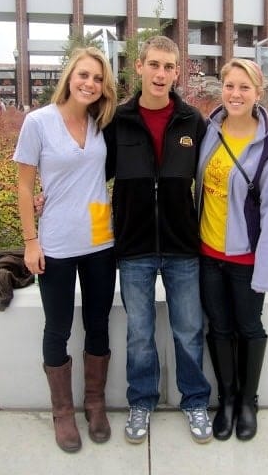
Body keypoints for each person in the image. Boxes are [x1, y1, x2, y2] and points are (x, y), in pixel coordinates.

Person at [104, 35, 213, 445]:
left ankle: (195, 401)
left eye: (169, 67)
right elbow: (94, 175)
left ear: (177, 72)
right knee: (139, 333)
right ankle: (142, 401)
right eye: (154, 65)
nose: (161, 74)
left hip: (183, 247)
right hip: (133, 249)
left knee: (188, 330)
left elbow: (213, 177)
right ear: (140, 68)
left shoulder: (192, 122)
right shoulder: (119, 120)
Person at [13, 46, 117, 453]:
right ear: (69, 77)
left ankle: (94, 403)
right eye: (83, 75)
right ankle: (62, 412)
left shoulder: (100, 123)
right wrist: (30, 241)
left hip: (99, 238)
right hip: (54, 241)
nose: (89, 83)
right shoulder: (38, 122)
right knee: (56, 328)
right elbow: (24, 186)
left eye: (97, 78)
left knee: (98, 323)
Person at [195, 57, 268, 442]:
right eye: (230, 86)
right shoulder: (208, 132)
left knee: (249, 328)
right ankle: (227, 399)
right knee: (218, 328)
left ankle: (249, 401)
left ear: (257, 93)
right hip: (207, 255)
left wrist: (264, 272)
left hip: (245, 259)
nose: (235, 94)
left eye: (244, 87)